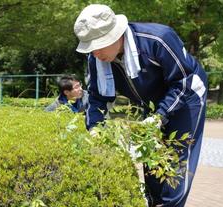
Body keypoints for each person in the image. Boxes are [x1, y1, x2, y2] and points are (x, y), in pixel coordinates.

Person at [74, 4, 207, 207]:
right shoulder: (97, 59)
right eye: (90, 47)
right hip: (151, 103)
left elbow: (183, 80)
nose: (95, 53)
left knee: (175, 164)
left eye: (99, 45)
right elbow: (96, 97)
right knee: (151, 162)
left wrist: (159, 116)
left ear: (115, 35)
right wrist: (95, 129)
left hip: (187, 97)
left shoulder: (158, 39)